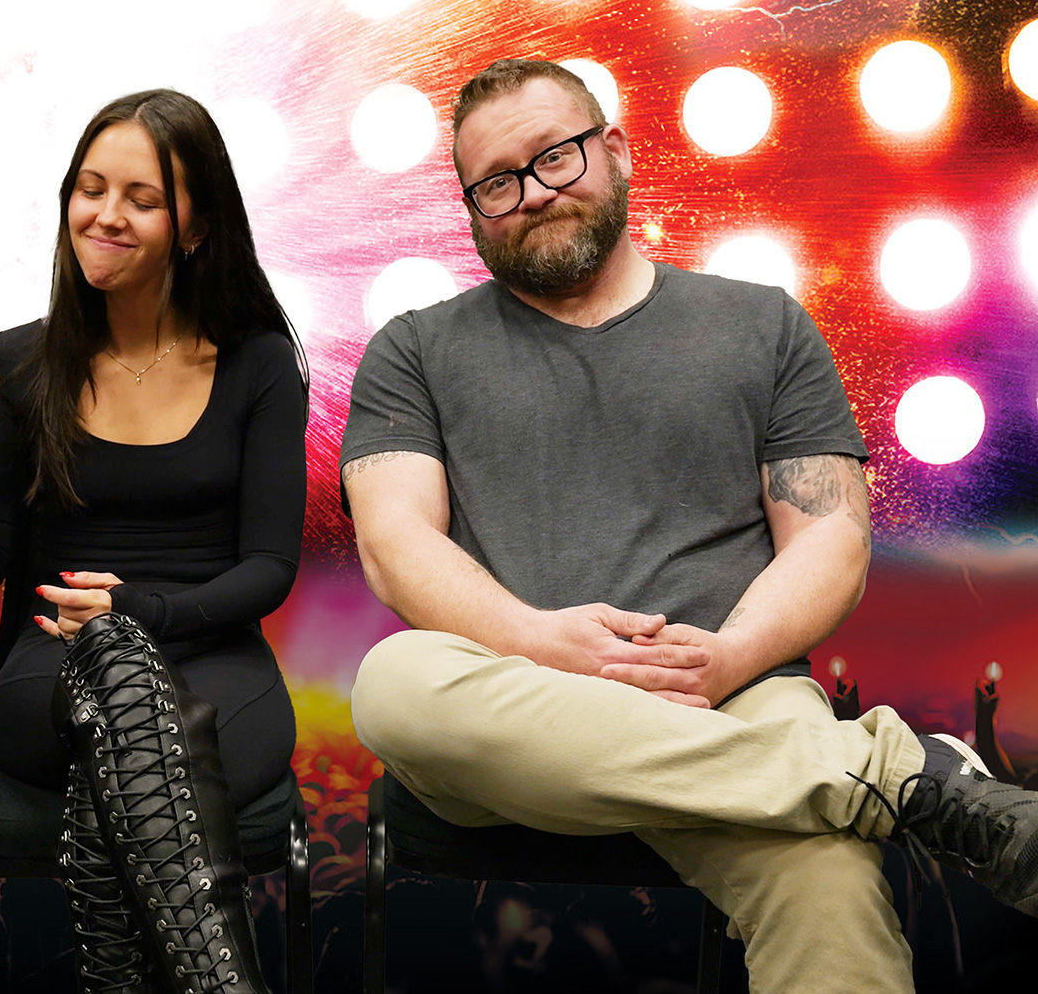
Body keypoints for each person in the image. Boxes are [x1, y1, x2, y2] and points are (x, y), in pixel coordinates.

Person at [341, 58, 1037, 993]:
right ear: (470, 206)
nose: (535, 194)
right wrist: (543, 644)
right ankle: (898, 778)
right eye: (498, 183)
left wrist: (730, 656)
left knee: (829, 883)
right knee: (394, 681)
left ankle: (852, 779)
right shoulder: (413, 350)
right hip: (517, 704)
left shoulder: (765, 326)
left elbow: (831, 537)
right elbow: (396, 546)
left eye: (555, 156)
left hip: (738, 694)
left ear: (616, 149)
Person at [0, 88, 307, 992]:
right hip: (48, 667)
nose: (105, 215)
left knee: (133, 738)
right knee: (133, 711)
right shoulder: (22, 358)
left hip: (214, 657)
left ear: (197, 225)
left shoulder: (256, 361)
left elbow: (270, 569)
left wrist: (135, 612)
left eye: (141, 197)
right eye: (90, 189)